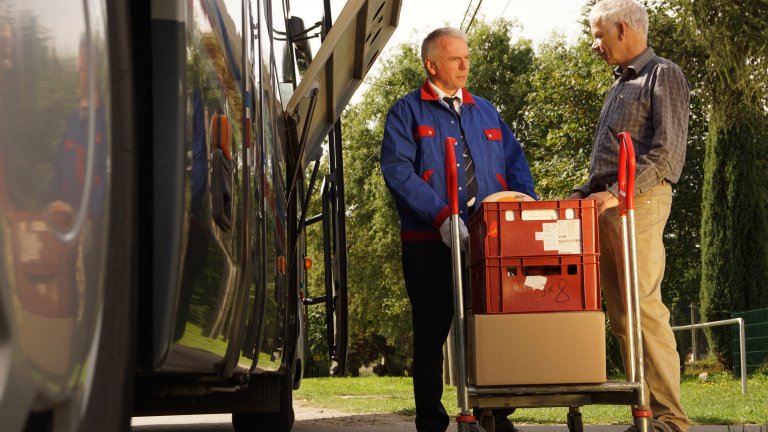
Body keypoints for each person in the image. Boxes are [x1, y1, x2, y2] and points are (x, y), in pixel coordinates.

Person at [380, 27, 536, 432]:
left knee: (492, 327)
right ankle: (431, 421)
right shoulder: (406, 112)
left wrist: (525, 205)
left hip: (489, 242)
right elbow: (398, 172)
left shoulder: (485, 111)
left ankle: (496, 413)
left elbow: (515, 162)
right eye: (455, 59)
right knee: (431, 333)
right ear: (432, 64)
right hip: (429, 243)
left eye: (467, 57)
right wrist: (441, 217)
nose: (466, 65)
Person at [567, 1, 691, 431]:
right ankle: (644, 413)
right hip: (605, 204)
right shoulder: (619, 85)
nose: (594, 43)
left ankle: (670, 419)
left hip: (638, 201)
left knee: (643, 308)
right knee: (620, 318)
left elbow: (667, 154)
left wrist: (619, 193)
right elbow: (605, 158)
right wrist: (584, 192)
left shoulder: (662, 74)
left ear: (622, 29)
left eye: (598, 34)